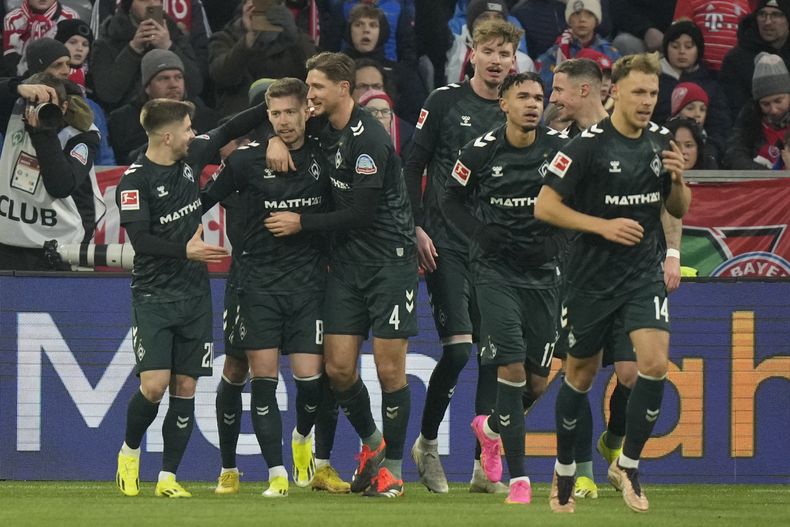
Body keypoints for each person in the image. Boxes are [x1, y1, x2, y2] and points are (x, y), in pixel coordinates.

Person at [535, 52, 691, 513]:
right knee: (580, 376)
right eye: (639, 92)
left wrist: (678, 180)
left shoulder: (660, 141)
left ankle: (628, 464)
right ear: (615, 92)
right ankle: (565, 469)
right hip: (590, 279)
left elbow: (678, 208)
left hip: (641, 275)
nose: (647, 101)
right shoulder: (585, 147)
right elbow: (545, 206)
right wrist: (602, 226)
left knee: (653, 365)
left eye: (653, 93)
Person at [264, 52, 418, 498]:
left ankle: (393, 472)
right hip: (346, 266)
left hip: (388, 263)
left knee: (390, 371)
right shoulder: (320, 127)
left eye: (316, 87)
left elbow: (362, 213)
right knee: (338, 369)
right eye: (309, 86)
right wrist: (272, 140)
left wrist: (302, 223)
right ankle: (374, 444)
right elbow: (277, 115)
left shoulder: (369, 139)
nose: (309, 95)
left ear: (343, 89)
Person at [201, 77, 349, 497]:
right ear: (265, 116)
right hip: (254, 282)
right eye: (275, 114)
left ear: (306, 111)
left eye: (290, 112)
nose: (283, 121)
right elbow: (202, 199)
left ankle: (305, 445)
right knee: (245, 372)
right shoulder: (246, 161)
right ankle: (241, 469)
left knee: (312, 381)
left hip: (307, 283)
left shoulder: (324, 152)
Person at [113, 96, 267, 498]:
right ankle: (129, 452)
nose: (193, 134)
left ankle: (167, 477)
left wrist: (270, 104)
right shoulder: (134, 182)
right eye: (187, 128)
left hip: (195, 294)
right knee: (154, 386)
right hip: (154, 293)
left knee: (185, 386)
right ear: (167, 136)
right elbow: (141, 241)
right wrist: (186, 251)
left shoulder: (191, 156)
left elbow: (229, 129)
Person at [403, 18, 521, 495]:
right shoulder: (444, 102)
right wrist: (415, 227)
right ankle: (427, 445)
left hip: (492, 250)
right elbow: (412, 166)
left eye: (505, 54)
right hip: (444, 243)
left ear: (514, 61)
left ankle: (481, 468)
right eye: (488, 51)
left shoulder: (516, 111)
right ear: (472, 53)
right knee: (457, 350)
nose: (496, 60)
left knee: (494, 356)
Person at [443, 72, 567, 505]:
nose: (533, 104)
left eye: (538, 97)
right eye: (523, 97)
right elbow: (449, 199)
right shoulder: (479, 151)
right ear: (504, 104)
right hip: (494, 273)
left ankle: (491, 428)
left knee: (536, 384)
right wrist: (480, 233)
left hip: (544, 275)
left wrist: (556, 243)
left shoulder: (560, 149)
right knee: (511, 371)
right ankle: (520, 481)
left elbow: (581, 201)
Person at [0, 72, 99, 270]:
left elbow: (61, 186)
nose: (39, 110)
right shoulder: (15, 113)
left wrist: (44, 132)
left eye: (48, 105)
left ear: (64, 107)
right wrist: (16, 87)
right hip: (9, 239)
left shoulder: (82, 135)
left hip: (57, 245)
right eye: (34, 103)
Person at [108, 49, 219, 164]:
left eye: (178, 77)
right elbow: (123, 164)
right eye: (164, 78)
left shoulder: (206, 118)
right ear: (147, 87)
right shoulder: (123, 120)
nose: (173, 85)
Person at [208, 0, 316, 116]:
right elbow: (222, 75)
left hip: (288, 114)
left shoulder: (296, 40)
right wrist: (249, 38)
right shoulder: (225, 38)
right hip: (241, 116)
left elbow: (315, 73)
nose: (268, 11)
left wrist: (295, 37)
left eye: (274, 5)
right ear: (246, 7)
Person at [91, 0, 203, 109]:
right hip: (129, 113)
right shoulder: (109, 38)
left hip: (177, 110)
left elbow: (195, 86)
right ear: (129, 5)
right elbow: (108, 94)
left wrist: (168, 46)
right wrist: (133, 49)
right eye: (143, 0)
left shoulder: (175, 34)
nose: (152, 4)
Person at [654, 20, 730, 164]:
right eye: (675, 46)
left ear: (698, 50)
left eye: (689, 46)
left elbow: (720, 127)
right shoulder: (653, 81)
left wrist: (708, 154)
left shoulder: (711, 84)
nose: (682, 51)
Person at [720, 0, 790, 121]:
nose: (767, 22)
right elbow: (734, 110)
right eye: (762, 14)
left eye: (776, 15)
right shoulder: (735, 60)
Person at [536, 0, 620, 99]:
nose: (582, 19)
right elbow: (545, 89)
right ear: (569, 19)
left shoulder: (610, 53)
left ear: (596, 20)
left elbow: (619, 86)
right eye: (577, 14)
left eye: (589, 14)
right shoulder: (556, 53)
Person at [724, 52, 790, 170]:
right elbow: (734, 153)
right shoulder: (750, 117)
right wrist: (764, 175)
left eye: (778, 101)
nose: (773, 110)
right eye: (765, 104)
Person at [445, 0, 534, 85]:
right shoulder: (453, 50)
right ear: (471, 23)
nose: (492, 22)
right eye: (484, 17)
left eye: (498, 17)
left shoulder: (523, 62)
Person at [3, 0, 79, 76]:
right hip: (22, 75)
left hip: (60, 74)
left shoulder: (70, 17)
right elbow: (10, 57)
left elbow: (72, 59)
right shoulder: (12, 18)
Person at [673, 0, 752, 73]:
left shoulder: (744, 2)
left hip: (734, 71)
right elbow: (680, 33)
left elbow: (749, 36)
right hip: (699, 71)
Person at [358, 88, 413, 160]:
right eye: (372, 111)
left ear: (391, 117)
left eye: (385, 111)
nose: (379, 116)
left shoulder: (406, 137)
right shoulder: (349, 137)